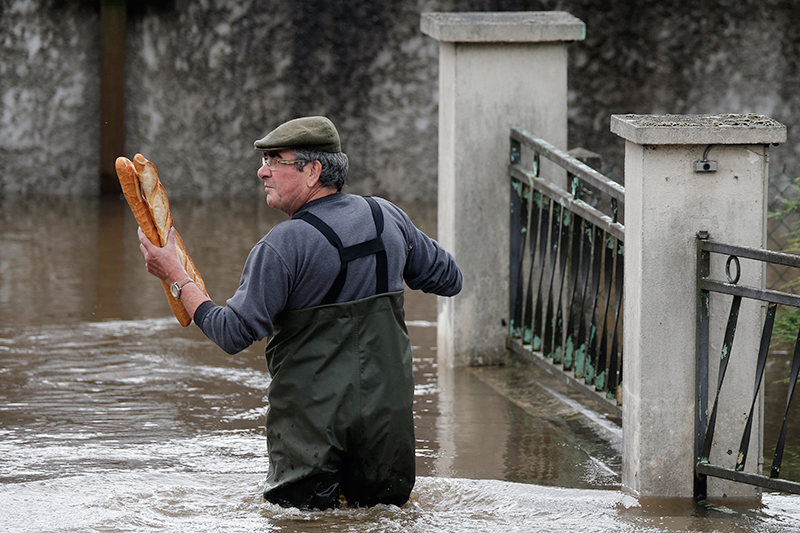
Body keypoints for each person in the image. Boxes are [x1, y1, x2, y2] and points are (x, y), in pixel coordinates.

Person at [137, 116, 462, 510]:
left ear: (313, 171)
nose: (262, 171)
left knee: (301, 522)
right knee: (382, 517)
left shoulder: (282, 246)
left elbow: (231, 334)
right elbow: (449, 279)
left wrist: (176, 278)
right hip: (387, 424)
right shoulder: (387, 217)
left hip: (312, 433)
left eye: (275, 160)